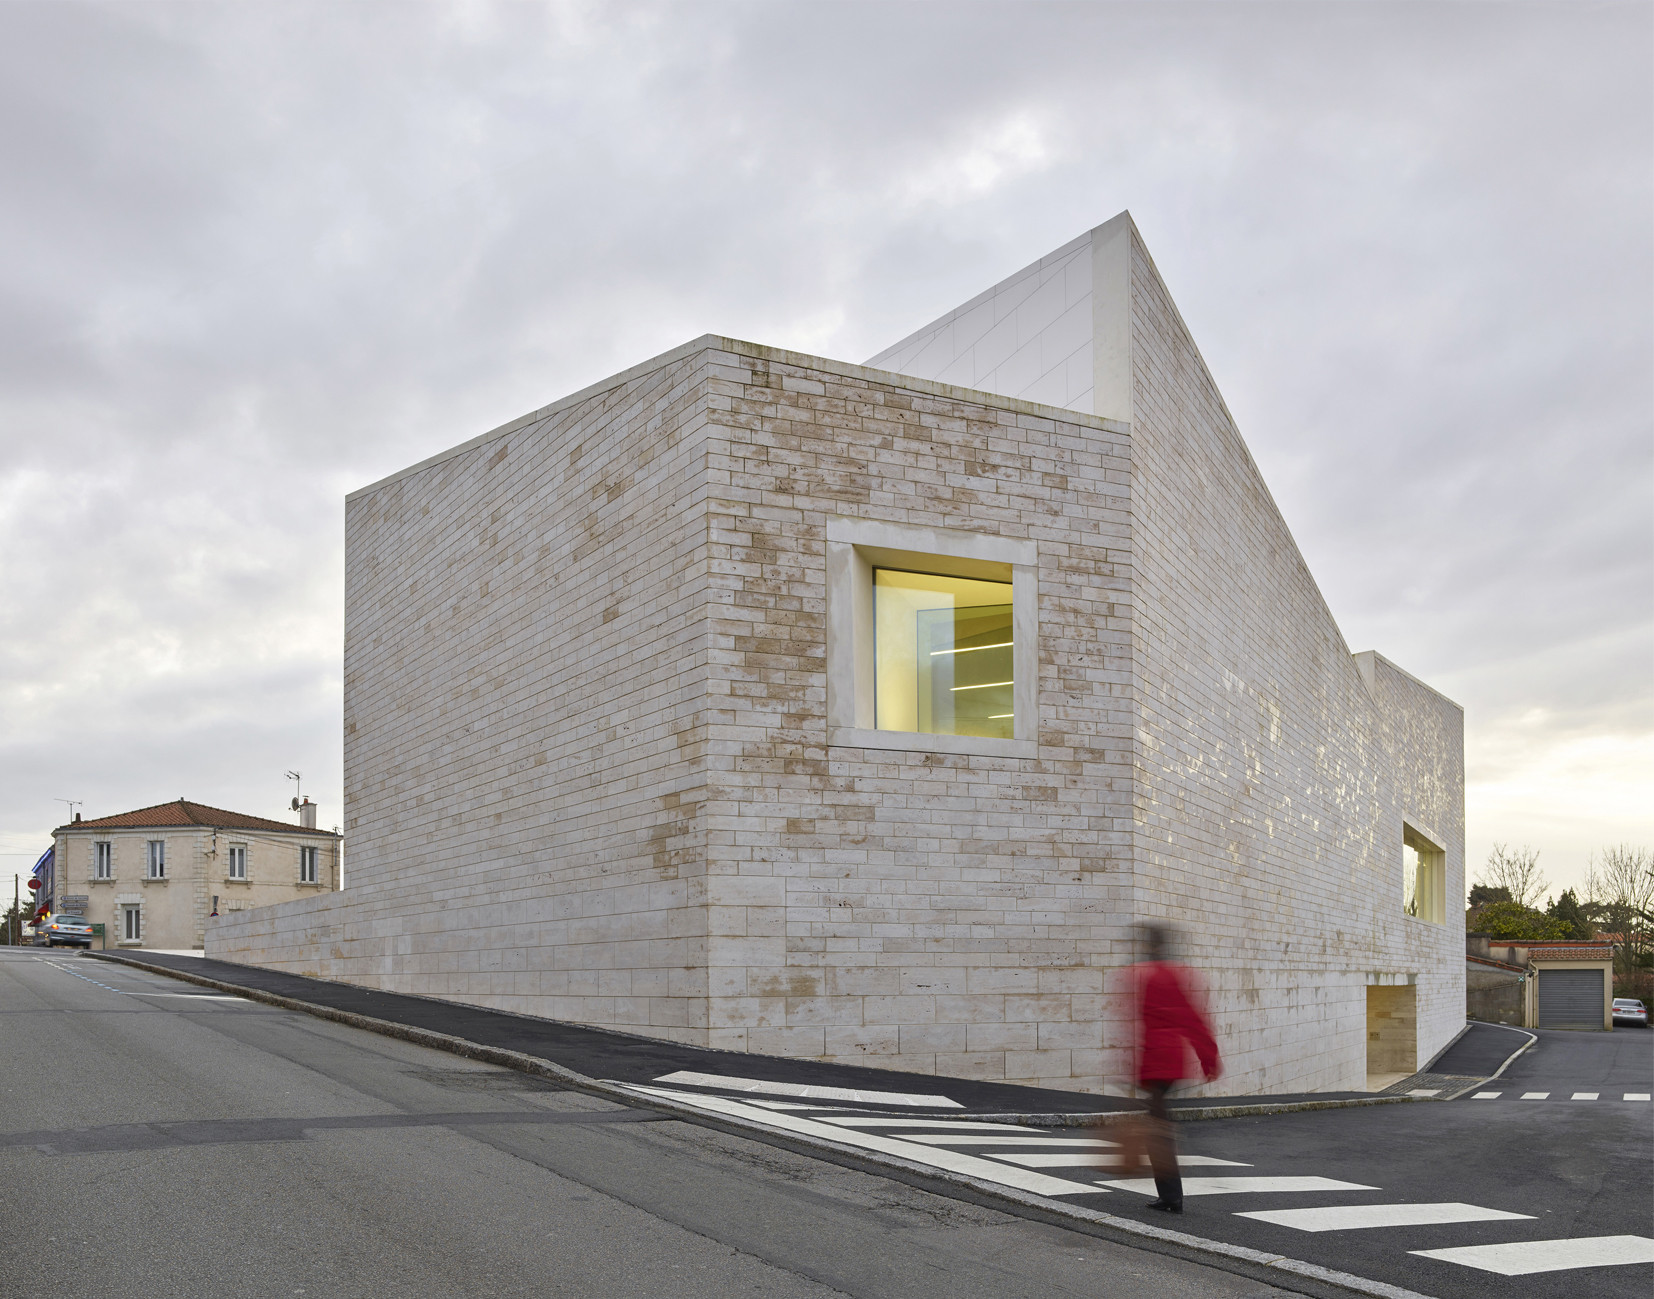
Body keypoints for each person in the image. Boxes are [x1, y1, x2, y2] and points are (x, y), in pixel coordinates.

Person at [1131, 925, 1221, 1213]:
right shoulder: (1170, 974)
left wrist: (1209, 1059)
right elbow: (1192, 1020)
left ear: (1154, 945)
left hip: (1160, 1063)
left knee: (1158, 1131)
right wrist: (1208, 1058)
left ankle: (1171, 1197)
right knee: (1158, 1127)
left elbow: (1183, 1019)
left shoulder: (1157, 977)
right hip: (1166, 1063)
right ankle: (1170, 1196)